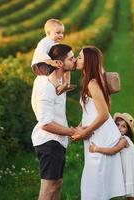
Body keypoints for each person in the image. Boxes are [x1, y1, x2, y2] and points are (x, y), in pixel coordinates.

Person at [72, 46, 125, 200]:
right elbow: (92, 111)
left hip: (100, 135)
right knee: (96, 181)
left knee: (96, 182)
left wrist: (84, 132)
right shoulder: (92, 79)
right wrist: (80, 126)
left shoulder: (92, 83)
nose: (76, 59)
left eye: (80, 57)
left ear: (88, 62)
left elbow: (103, 114)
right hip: (96, 133)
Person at [31, 44, 77, 200]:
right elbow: (46, 123)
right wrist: (72, 131)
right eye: (71, 58)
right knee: (48, 188)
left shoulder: (57, 83)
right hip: (49, 142)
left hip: (57, 141)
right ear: (59, 63)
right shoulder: (46, 86)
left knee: (57, 185)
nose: (75, 60)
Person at [89, 112, 134, 199]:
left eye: (123, 126)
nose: (119, 128)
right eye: (117, 124)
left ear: (127, 130)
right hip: (125, 170)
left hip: (129, 172)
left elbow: (113, 151)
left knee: (132, 196)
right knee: (131, 196)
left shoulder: (124, 140)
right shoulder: (118, 139)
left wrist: (96, 149)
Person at [31, 18, 76, 95]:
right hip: (39, 64)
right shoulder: (44, 42)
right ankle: (58, 87)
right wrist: (51, 62)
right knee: (50, 70)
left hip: (51, 63)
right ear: (48, 33)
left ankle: (67, 84)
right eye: (58, 33)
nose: (61, 35)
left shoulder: (55, 43)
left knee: (67, 67)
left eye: (62, 33)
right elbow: (42, 54)